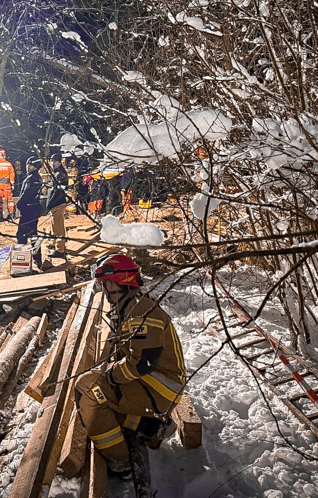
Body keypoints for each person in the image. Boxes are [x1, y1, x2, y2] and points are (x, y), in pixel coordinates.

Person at [74, 254, 186, 475]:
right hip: (156, 385)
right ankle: (149, 428)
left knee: (88, 389)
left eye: (107, 283)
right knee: (100, 391)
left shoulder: (139, 311)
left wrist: (107, 375)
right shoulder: (132, 306)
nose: (105, 289)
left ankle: (121, 461)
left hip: (160, 388)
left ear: (121, 281)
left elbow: (141, 363)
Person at [16, 156, 44, 245]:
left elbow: (28, 193)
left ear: (36, 167)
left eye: (31, 166)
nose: (28, 167)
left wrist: (20, 203)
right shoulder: (33, 177)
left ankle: (22, 253)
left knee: (22, 233)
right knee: (33, 233)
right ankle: (36, 256)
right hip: (32, 208)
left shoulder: (32, 178)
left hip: (29, 209)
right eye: (27, 165)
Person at [45, 153, 68, 258]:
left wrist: (50, 204)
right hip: (55, 204)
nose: (53, 163)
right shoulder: (56, 173)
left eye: (55, 161)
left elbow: (57, 192)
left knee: (58, 227)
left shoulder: (60, 174)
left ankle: (60, 250)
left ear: (59, 162)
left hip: (58, 203)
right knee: (55, 225)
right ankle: (54, 243)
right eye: (52, 161)